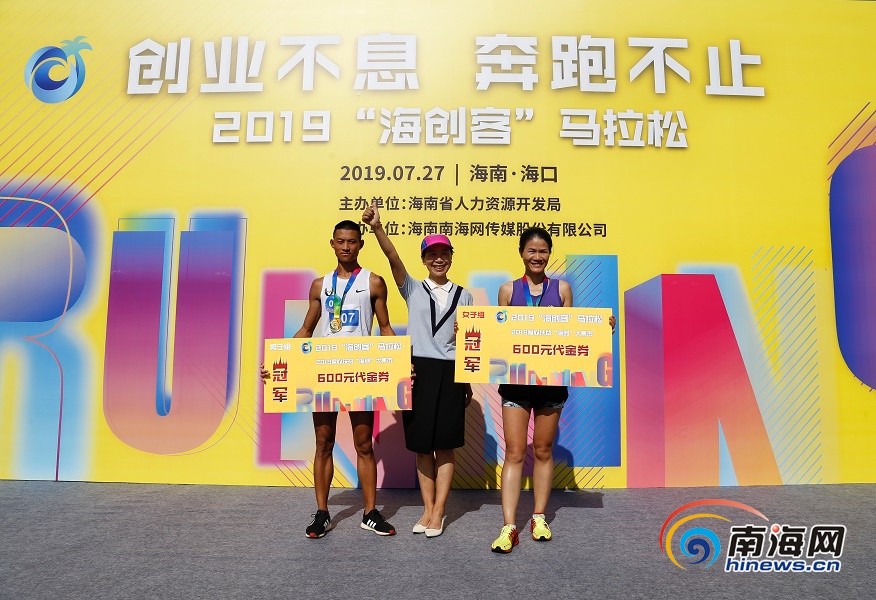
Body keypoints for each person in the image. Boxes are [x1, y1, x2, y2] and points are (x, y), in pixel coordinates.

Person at [261, 220, 397, 539]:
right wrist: (279, 361)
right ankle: (322, 513)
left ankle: (370, 513)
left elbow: (385, 328)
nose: (346, 246)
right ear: (332, 243)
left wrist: (404, 365)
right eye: (341, 241)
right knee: (324, 442)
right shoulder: (319, 285)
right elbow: (306, 330)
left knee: (364, 444)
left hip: (360, 372)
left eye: (352, 241)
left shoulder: (374, 282)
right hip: (324, 372)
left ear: (360, 244)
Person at [490, 227, 616, 554]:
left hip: (551, 383)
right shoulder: (507, 290)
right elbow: (496, 335)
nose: (537, 256)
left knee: (544, 450)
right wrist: (470, 330)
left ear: (549, 254)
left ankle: (538, 517)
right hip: (516, 384)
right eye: (531, 251)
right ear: (522, 253)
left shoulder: (562, 289)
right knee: (515, 452)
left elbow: (572, 333)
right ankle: (508, 525)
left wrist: (601, 330)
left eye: (543, 251)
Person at [362, 201, 473, 538]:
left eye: (444, 253)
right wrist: (377, 227)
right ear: (424, 259)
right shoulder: (412, 288)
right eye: (432, 254)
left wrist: (467, 381)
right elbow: (393, 257)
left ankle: (439, 511)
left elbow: (470, 342)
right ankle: (427, 509)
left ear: (451, 257)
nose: (438, 259)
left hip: (451, 372)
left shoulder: (465, 296)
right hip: (419, 371)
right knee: (422, 445)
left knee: (446, 445)